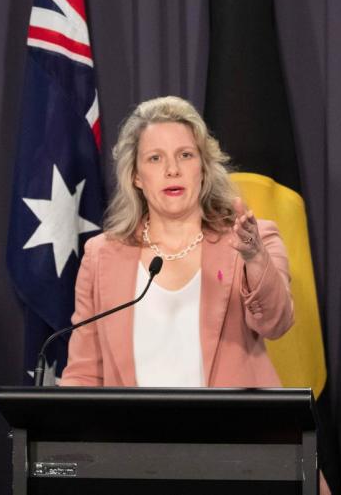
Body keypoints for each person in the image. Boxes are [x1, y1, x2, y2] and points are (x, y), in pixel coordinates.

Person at [60, 95, 294, 387]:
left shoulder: (253, 241)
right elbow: (83, 374)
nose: (172, 169)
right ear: (136, 176)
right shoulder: (101, 255)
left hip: (233, 430)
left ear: (204, 168)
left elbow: (276, 323)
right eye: (155, 158)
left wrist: (255, 258)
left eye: (185, 155)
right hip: (130, 432)